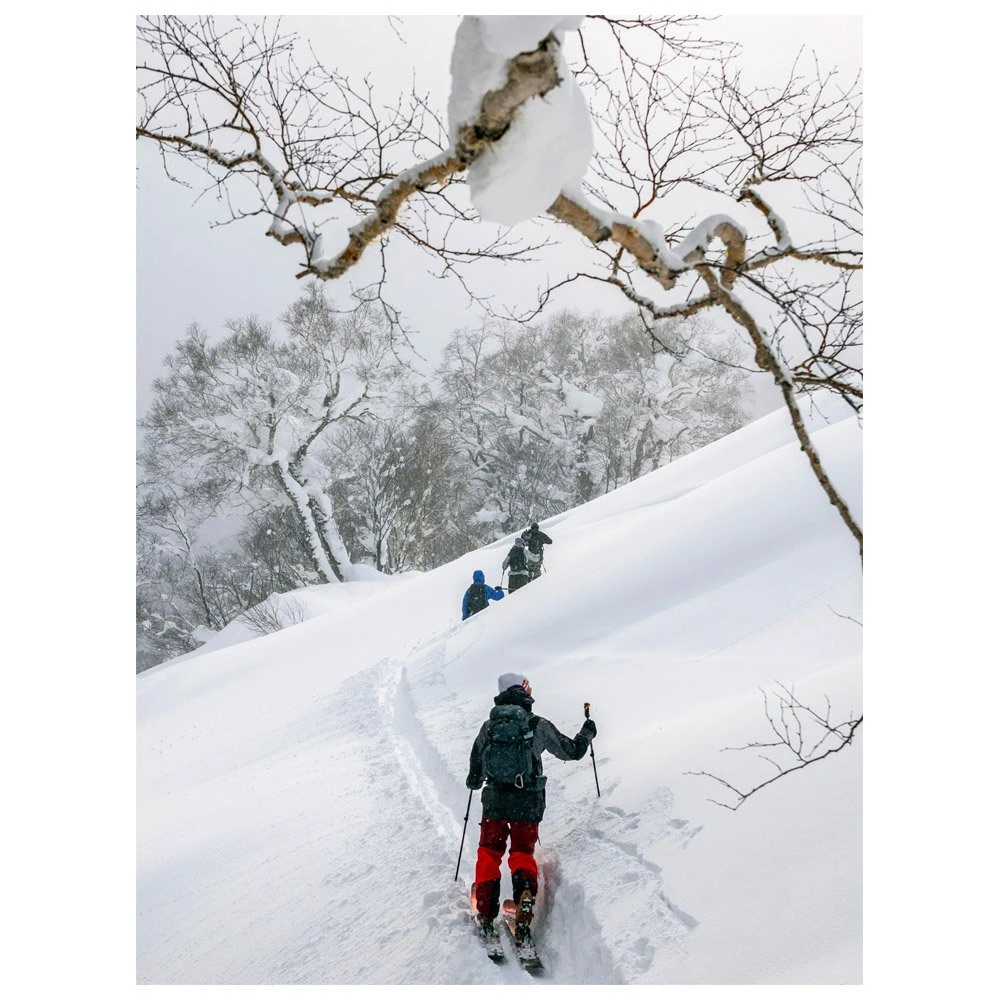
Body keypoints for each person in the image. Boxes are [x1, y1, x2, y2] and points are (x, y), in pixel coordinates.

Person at [465, 672, 597, 955]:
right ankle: (524, 905)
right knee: (522, 854)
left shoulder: (489, 727)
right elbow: (572, 751)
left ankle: (486, 916)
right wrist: (587, 732)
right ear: (523, 692)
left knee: (489, 854)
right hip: (527, 803)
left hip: (495, 803)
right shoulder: (537, 724)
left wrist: (478, 779)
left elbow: (474, 776)